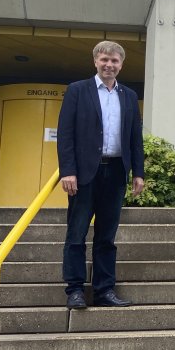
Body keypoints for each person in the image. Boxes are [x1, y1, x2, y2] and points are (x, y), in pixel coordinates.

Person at [57, 40, 145, 309]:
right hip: (84, 174)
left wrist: (138, 173)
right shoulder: (77, 91)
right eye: (105, 60)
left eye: (115, 61)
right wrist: (68, 170)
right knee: (77, 233)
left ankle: (104, 290)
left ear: (121, 64)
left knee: (107, 237)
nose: (109, 65)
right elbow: (66, 134)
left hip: (116, 172)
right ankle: (74, 289)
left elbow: (135, 138)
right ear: (95, 61)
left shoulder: (128, 96)